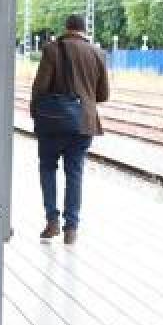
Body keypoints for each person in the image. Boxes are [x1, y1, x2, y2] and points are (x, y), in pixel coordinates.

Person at [30, 14, 110, 245]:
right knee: (74, 173)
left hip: (53, 122)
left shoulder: (52, 50)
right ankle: (71, 228)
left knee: (48, 168)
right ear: (84, 30)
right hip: (83, 123)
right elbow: (103, 95)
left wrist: (36, 111)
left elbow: (40, 87)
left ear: (66, 28)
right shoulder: (98, 53)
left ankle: (52, 220)